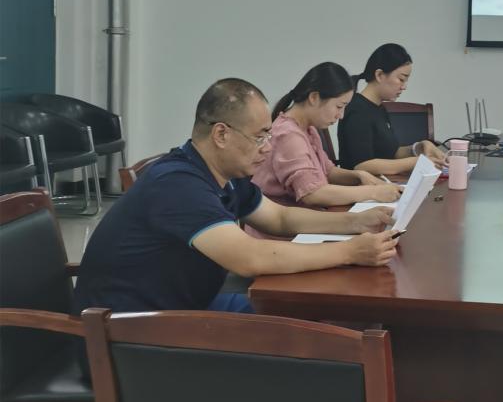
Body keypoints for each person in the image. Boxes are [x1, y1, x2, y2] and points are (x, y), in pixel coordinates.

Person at [74, 78, 399, 315]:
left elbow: (280, 218)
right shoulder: (178, 185)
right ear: (221, 134)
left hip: (186, 306)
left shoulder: (225, 175)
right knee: (301, 337)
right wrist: (349, 251)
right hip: (130, 334)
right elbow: (249, 257)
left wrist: (356, 222)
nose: (268, 147)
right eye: (260, 137)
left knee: (302, 314)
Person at [253, 62, 402, 207]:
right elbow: (312, 194)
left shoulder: (309, 129)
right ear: (314, 98)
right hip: (289, 222)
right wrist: (372, 193)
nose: (341, 115)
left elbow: (327, 171)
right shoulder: (288, 135)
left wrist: (358, 176)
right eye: (339, 106)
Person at [337, 43, 445, 175]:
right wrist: (416, 162)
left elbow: (392, 152)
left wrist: (418, 147)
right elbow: (363, 165)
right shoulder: (357, 110)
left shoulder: (379, 108)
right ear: (379, 75)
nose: (404, 87)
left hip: (383, 181)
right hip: (360, 186)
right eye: (401, 79)